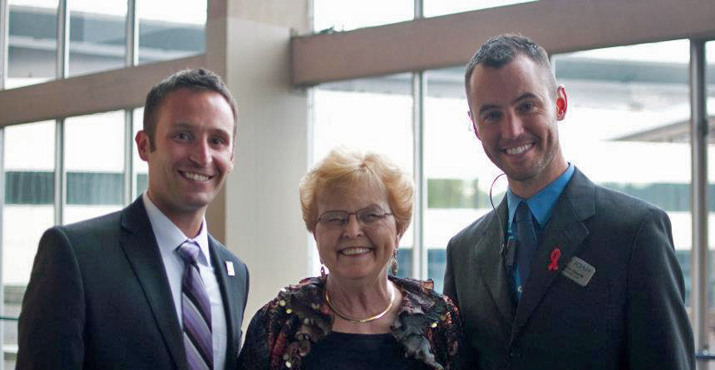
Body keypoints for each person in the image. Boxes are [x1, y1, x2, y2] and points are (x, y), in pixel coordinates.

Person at [443, 34, 695, 369]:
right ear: (475, 126)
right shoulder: (463, 252)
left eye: (526, 106)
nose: (513, 129)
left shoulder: (635, 233)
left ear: (559, 104)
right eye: (492, 114)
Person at [17, 68, 249, 370]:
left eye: (217, 140)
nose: (202, 156)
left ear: (231, 157)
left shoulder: (236, 273)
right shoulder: (75, 255)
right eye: (183, 135)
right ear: (144, 145)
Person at [237, 148, 465, 370]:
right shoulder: (277, 322)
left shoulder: (440, 321)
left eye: (371, 215)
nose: (353, 231)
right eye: (335, 218)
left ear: (398, 231)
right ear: (315, 234)